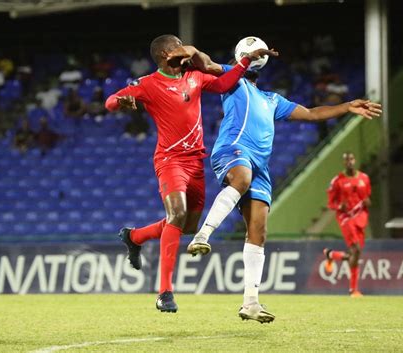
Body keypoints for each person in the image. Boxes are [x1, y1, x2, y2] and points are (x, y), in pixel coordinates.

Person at [169, 39, 381, 322]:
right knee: (241, 178)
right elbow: (205, 63)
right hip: (234, 150)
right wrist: (190, 50)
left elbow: (312, 113)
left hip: (261, 167)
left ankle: (251, 303)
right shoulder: (234, 80)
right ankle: (203, 234)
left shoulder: (273, 100)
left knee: (258, 230)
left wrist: (347, 106)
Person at [104, 34, 276, 313]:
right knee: (177, 214)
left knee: (187, 226)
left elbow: (224, 82)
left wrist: (246, 60)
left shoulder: (195, 76)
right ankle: (165, 293)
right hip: (170, 160)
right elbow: (111, 101)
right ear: (164, 54)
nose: (183, 48)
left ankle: (134, 237)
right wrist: (120, 102)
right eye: (177, 46)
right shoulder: (148, 84)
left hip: (195, 161)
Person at [323, 152, 371, 298]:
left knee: (354, 254)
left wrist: (369, 202)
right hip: (346, 217)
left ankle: (331, 254)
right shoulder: (337, 181)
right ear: (343, 163)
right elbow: (331, 203)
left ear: (354, 160)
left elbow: (367, 197)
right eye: (346, 160)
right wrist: (339, 206)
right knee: (356, 250)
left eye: (351, 159)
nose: (349, 162)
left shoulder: (364, 178)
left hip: (360, 218)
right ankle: (353, 290)